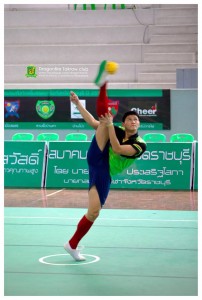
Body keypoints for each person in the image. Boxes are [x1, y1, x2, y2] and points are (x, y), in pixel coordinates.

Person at [64, 60, 146, 261]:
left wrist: (108, 125)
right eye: (129, 119)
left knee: (93, 212)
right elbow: (94, 122)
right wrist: (77, 105)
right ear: (124, 123)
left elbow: (118, 149)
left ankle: (71, 244)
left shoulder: (140, 144)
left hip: (104, 172)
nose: (133, 122)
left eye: (136, 120)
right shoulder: (115, 128)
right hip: (98, 158)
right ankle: (103, 83)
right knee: (102, 119)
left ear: (139, 124)